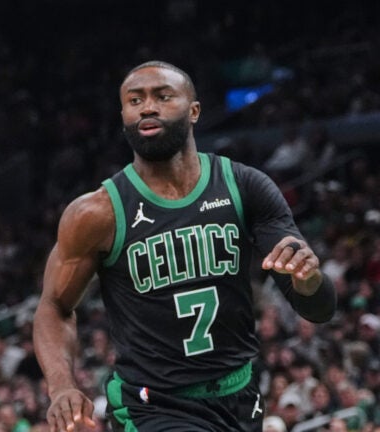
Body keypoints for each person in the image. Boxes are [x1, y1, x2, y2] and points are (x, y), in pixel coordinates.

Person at [32, 61, 336, 432]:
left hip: (240, 394)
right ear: (123, 116)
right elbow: (54, 305)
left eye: (163, 96)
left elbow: (319, 308)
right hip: (153, 406)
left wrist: (308, 280)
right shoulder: (96, 212)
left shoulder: (245, 187)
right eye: (134, 100)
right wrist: (61, 386)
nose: (147, 107)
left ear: (194, 111)